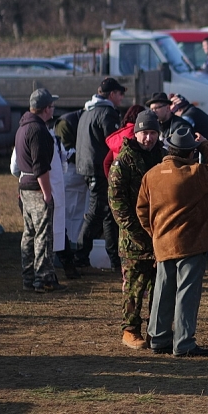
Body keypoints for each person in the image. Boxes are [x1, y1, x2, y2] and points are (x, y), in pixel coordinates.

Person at [136, 126, 208, 357]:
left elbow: (141, 210)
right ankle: (184, 342)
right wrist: (206, 144)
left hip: (162, 243)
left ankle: (158, 338)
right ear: (190, 152)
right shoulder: (195, 173)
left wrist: (155, 232)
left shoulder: (152, 174)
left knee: (162, 291)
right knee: (187, 294)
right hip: (191, 242)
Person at [108, 110, 164, 350]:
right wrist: (136, 232)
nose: (148, 138)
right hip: (134, 240)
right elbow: (117, 202)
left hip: (160, 234)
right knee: (134, 287)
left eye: (152, 133)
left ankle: (156, 330)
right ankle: (130, 330)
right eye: (144, 133)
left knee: (158, 287)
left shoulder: (163, 157)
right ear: (136, 133)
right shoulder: (124, 160)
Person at [15, 88, 66, 293]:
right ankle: (43, 279)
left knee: (29, 233)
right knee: (43, 235)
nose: (53, 109)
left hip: (24, 187)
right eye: (51, 106)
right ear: (46, 109)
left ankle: (28, 277)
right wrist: (47, 193)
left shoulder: (22, 127)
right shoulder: (38, 130)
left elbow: (19, 165)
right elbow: (41, 167)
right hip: (36, 188)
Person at [74, 77, 127, 271]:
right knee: (97, 213)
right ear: (112, 94)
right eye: (120, 93)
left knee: (107, 213)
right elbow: (114, 142)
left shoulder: (88, 111)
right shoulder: (107, 113)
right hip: (98, 168)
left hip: (86, 166)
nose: (122, 97)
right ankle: (80, 255)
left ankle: (114, 259)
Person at [54, 107, 88, 244]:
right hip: (71, 170)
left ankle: (71, 243)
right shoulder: (67, 123)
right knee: (70, 211)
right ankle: (68, 244)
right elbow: (66, 151)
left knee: (78, 211)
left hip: (79, 171)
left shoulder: (74, 121)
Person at [103, 105, 146, 178]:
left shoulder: (120, 134)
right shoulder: (138, 135)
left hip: (118, 179)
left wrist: (112, 181)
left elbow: (106, 162)